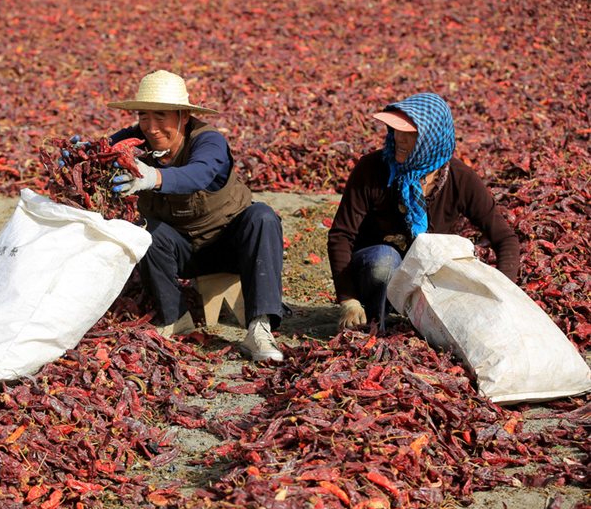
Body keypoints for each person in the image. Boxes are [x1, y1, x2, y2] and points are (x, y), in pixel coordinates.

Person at [104, 70, 285, 362]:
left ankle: (259, 329)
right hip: (180, 252)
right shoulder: (135, 139)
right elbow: (103, 151)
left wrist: (154, 177)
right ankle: (175, 318)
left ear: (184, 117)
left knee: (262, 216)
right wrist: (81, 155)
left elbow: (199, 173)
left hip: (229, 244)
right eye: (144, 116)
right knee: (143, 228)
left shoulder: (208, 140)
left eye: (161, 117)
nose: (151, 127)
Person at [328, 92, 520, 330]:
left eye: (410, 134)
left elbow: (505, 239)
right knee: (384, 261)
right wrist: (348, 300)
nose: (398, 138)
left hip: (425, 282)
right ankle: (377, 322)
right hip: (373, 278)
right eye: (396, 130)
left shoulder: (460, 179)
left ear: (431, 139)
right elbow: (341, 236)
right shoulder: (371, 170)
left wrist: (503, 294)